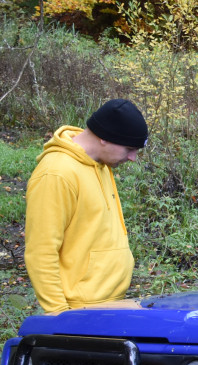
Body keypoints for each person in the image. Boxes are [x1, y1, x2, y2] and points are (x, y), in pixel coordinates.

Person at [24, 98, 148, 313]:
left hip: (109, 304)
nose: (133, 158)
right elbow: (41, 252)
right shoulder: (56, 173)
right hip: (79, 311)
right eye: (129, 148)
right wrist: (59, 315)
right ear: (104, 138)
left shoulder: (100, 164)